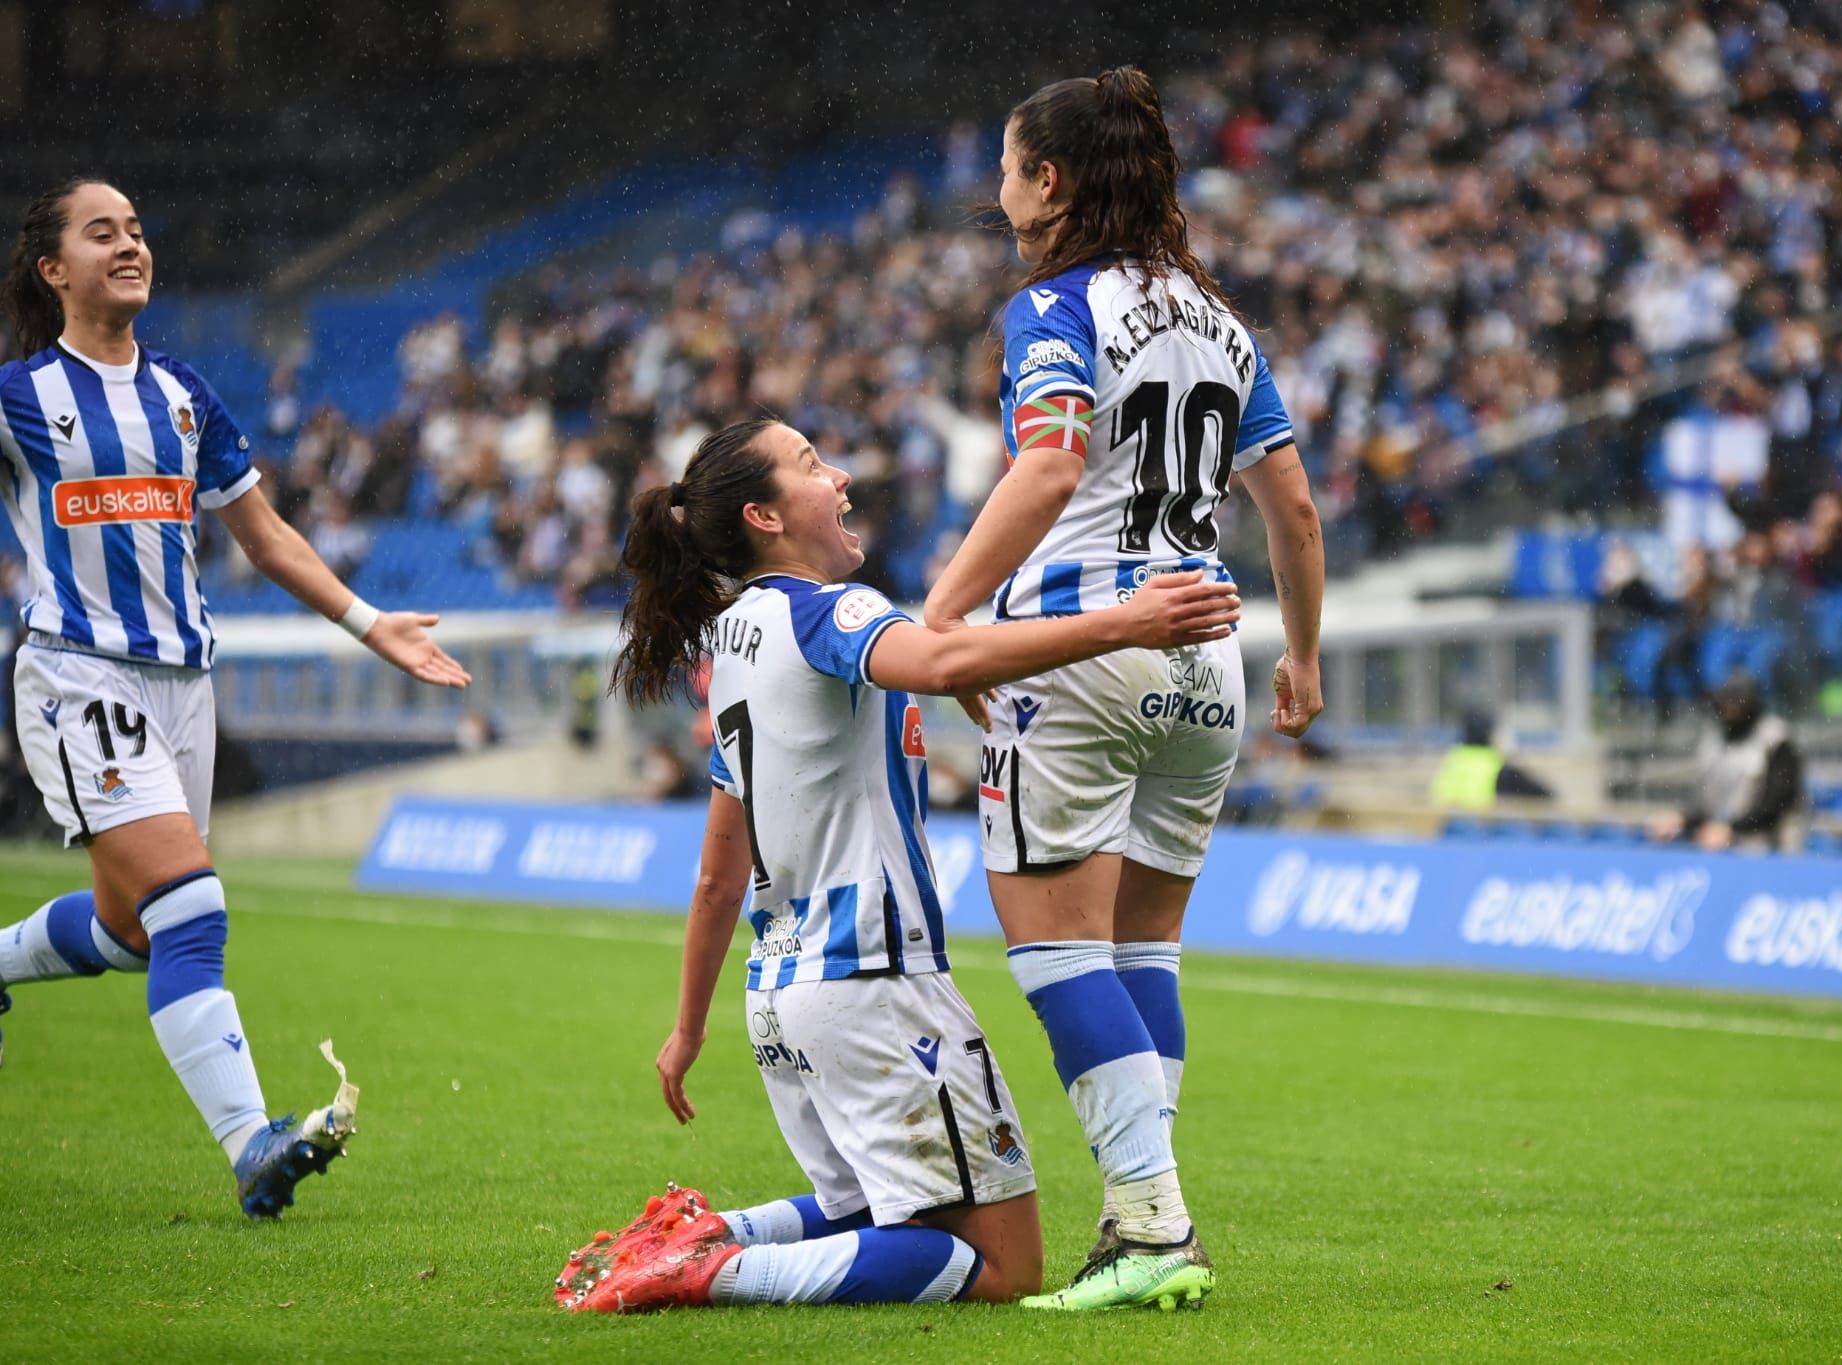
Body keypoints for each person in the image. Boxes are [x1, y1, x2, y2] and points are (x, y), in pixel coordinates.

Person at [554, 417, 1239, 1313]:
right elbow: (941, 652)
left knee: (884, 1214)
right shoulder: (831, 610)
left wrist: (690, 1027)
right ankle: (714, 1274)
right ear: (763, 515)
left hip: (781, 999)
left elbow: (720, 873)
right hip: (874, 983)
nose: (839, 477)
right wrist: (1128, 624)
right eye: (810, 466)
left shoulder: (728, 644)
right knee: (1000, 1263)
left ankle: (717, 1232)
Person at [920, 66, 1326, 1311]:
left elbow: (1045, 473)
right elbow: (1293, 510)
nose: (997, 186)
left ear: (1047, 182)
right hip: (1208, 652)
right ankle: (1137, 1217)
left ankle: (1152, 1224)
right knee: (1145, 949)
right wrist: (1301, 654)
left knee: (1053, 953)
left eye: (1005, 164)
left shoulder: (1054, 309)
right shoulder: (1219, 322)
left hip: (1082, 645)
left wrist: (939, 620)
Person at [0, 179, 470, 1217]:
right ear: (52, 269)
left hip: (185, 686)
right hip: (81, 675)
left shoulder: (181, 394)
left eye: (135, 227)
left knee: (135, 933)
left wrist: (367, 621)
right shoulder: (20, 395)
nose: (130, 243)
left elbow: (265, 535)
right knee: (194, 906)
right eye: (101, 232)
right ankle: (250, 1141)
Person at [1649, 674, 1804, 851]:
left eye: (1736, 701)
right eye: (1724, 700)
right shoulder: (1714, 742)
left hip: (1772, 851)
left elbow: (1778, 803)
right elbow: (1708, 805)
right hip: (1727, 849)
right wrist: (1681, 820)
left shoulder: (1775, 739)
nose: (1728, 707)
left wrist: (1733, 829)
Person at [1430, 709, 1555, 811]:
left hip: (1453, 834)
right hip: (1486, 835)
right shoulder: (1501, 769)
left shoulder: (1452, 761)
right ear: (1490, 734)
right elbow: (1547, 796)